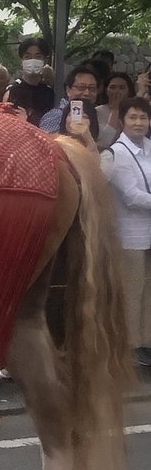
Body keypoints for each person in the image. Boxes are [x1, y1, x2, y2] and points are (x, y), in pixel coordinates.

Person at [100, 96, 151, 367]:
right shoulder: (116, 153)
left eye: (143, 117)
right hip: (130, 234)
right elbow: (131, 196)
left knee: (149, 291)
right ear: (122, 121)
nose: (139, 123)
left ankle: (146, 341)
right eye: (133, 117)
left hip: (150, 232)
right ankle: (130, 345)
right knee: (132, 291)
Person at [39, 63, 101, 142]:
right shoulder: (55, 116)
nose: (87, 93)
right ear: (68, 90)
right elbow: (48, 147)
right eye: (81, 87)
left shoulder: (97, 113)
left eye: (92, 88)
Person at [5, 37, 55, 126]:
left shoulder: (48, 92)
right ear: (22, 61)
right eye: (28, 57)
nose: (32, 60)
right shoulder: (12, 90)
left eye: (38, 57)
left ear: (45, 60)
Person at [96, 70, 135, 149]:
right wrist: (115, 110)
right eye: (113, 87)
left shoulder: (135, 111)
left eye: (122, 88)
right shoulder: (97, 111)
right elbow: (104, 141)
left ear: (129, 91)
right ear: (106, 90)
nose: (117, 91)